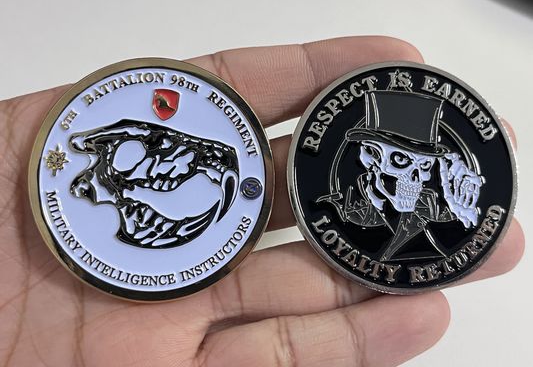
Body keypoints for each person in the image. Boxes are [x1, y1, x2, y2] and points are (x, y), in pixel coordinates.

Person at [0, 36, 524, 367]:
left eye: (419, 164)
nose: (408, 177)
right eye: (390, 158)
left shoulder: (435, 218)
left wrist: (463, 219)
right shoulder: (344, 208)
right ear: (367, 159)